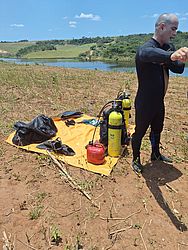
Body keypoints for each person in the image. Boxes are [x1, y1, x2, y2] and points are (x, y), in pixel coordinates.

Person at [131, 13, 188, 174]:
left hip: (159, 101)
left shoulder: (168, 48)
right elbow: (145, 54)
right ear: (162, 27)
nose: (175, 33)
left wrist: (172, 57)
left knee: (158, 128)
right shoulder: (146, 47)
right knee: (140, 132)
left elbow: (179, 68)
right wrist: (169, 56)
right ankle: (135, 159)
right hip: (145, 101)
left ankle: (155, 154)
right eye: (173, 29)